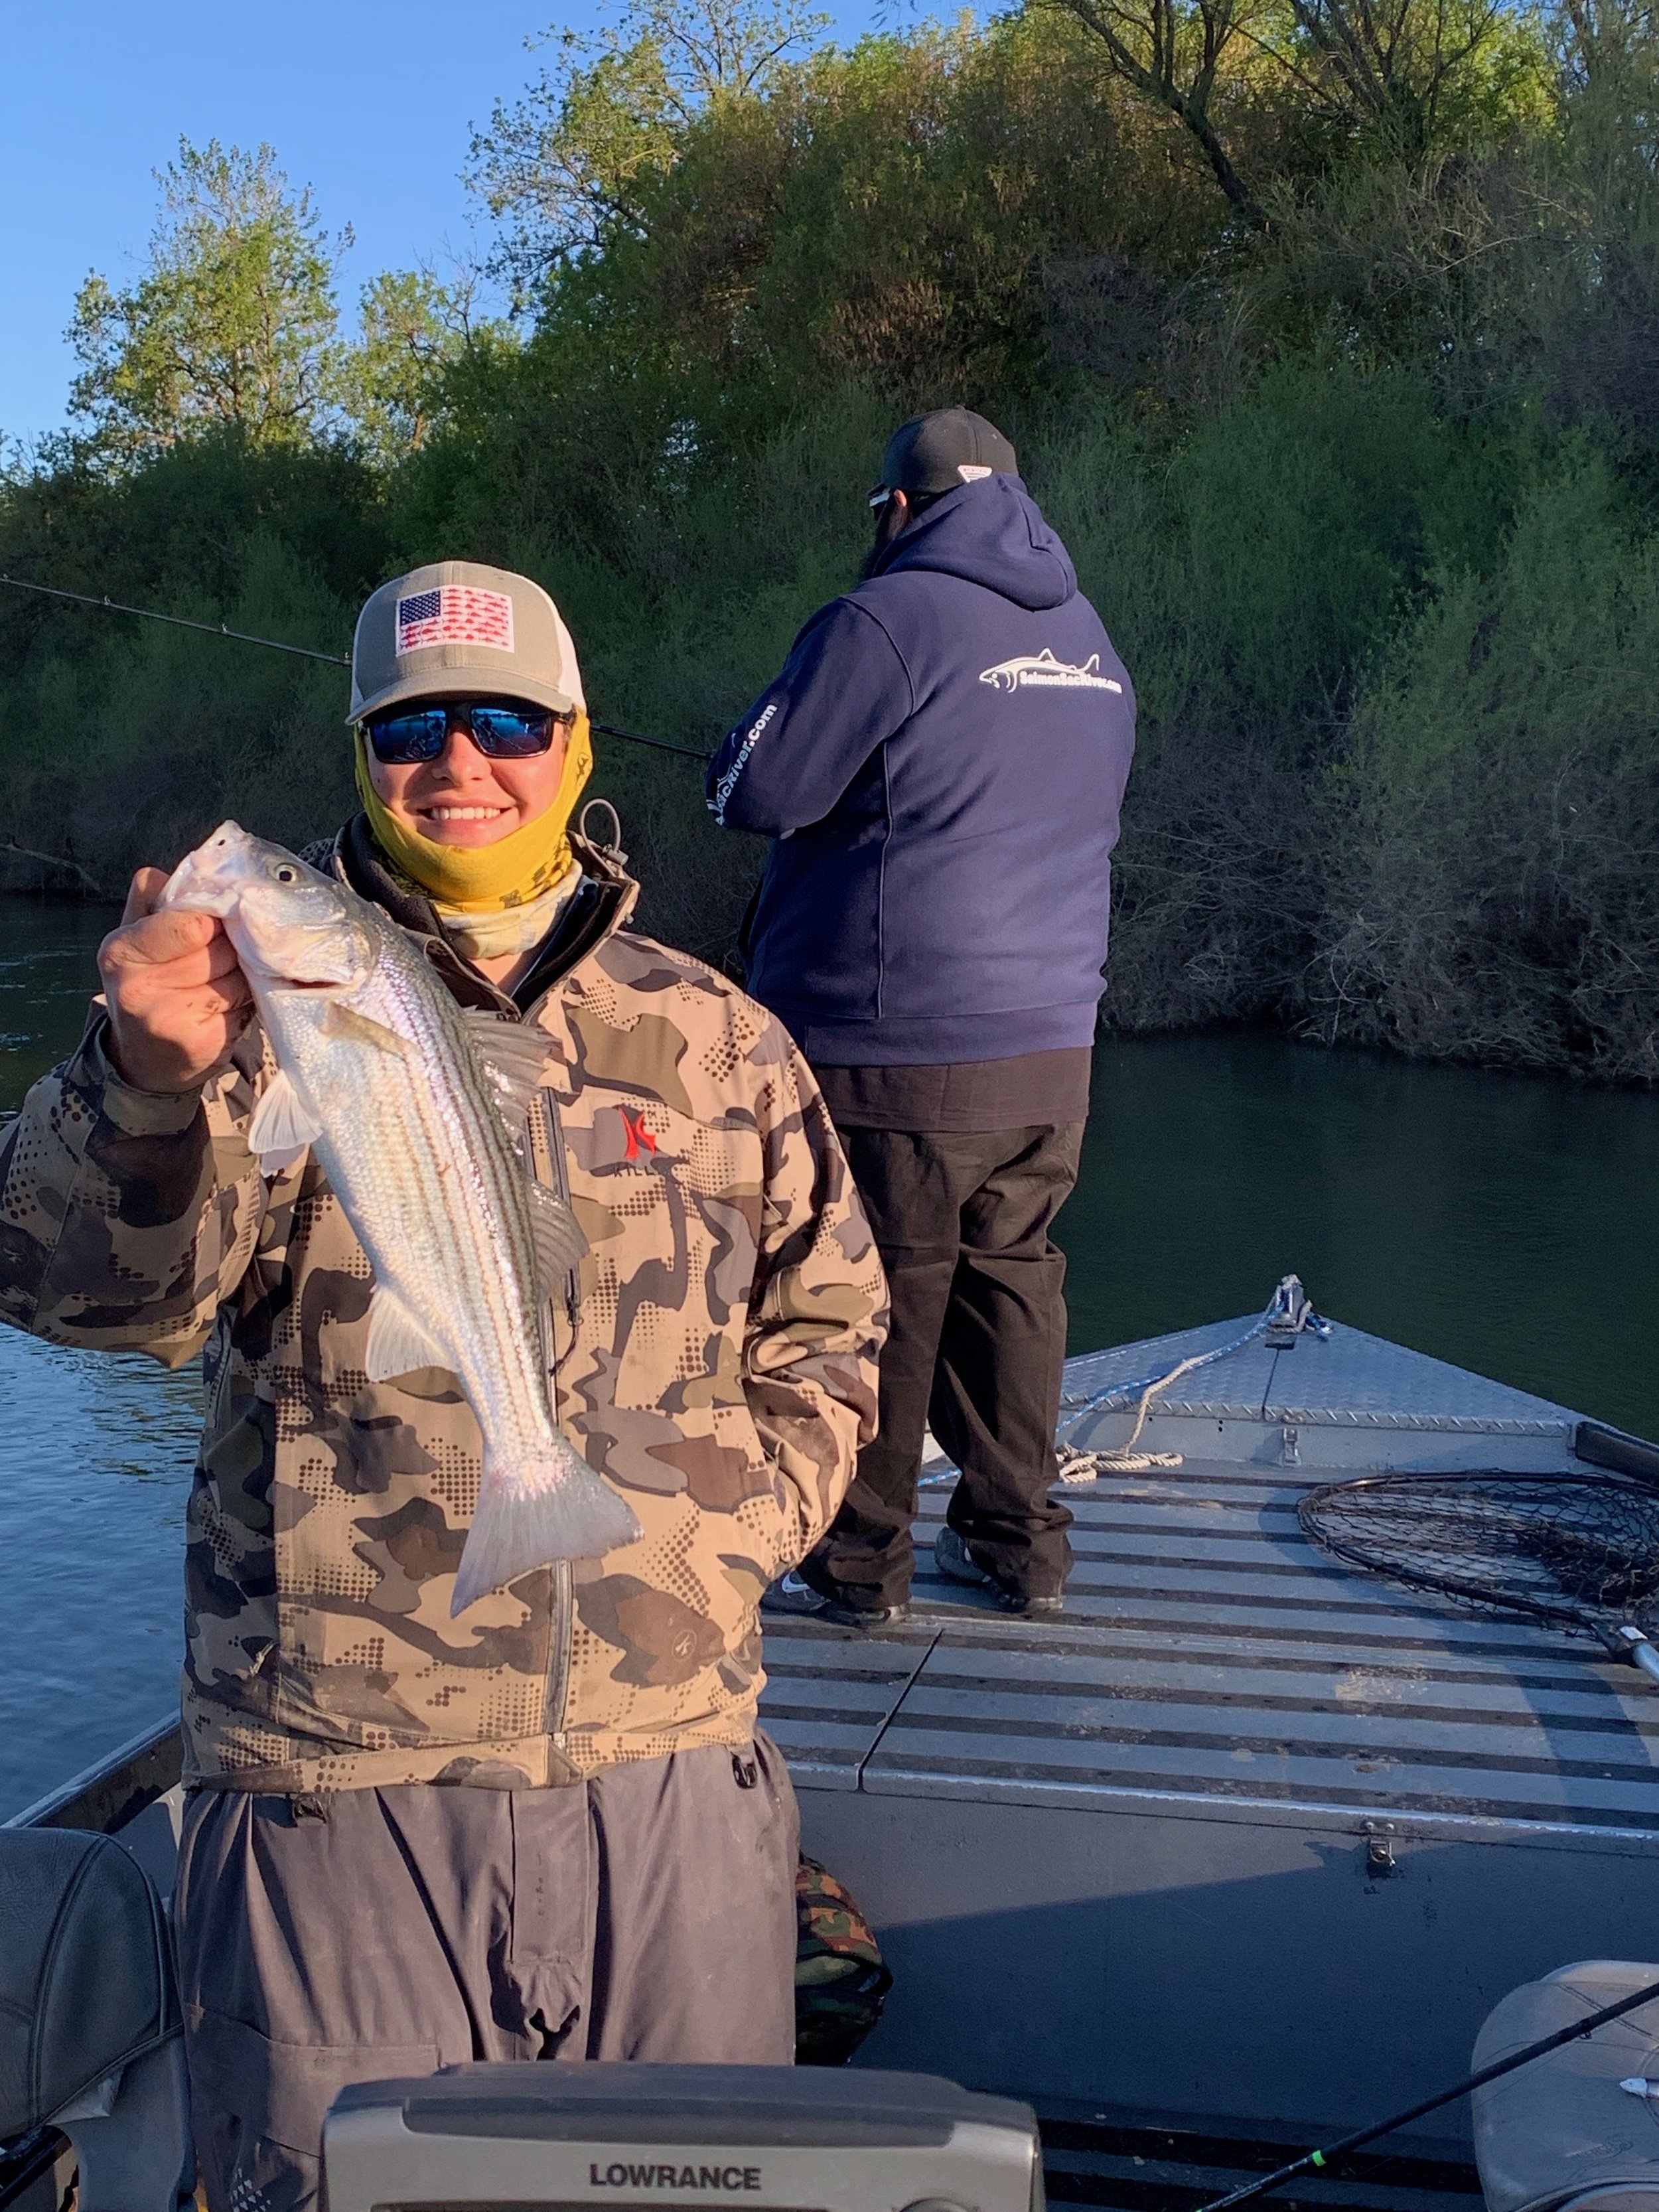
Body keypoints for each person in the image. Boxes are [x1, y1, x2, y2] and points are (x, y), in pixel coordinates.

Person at [0, 561, 887, 2212]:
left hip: (671, 1771)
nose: (458, 761)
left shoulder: (722, 1036)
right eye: (411, 726)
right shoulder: (235, 1017)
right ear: (359, 750)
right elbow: (97, 1297)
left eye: (504, 720)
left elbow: (832, 1334)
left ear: (571, 738)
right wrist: (141, 1085)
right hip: (341, 1777)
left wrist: (715, 1542)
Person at [707, 409, 1135, 1625]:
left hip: (896, 1046)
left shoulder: (882, 619)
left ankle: (856, 1564)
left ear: (897, 509)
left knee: (877, 1292)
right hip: (1054, 1050)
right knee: (1012, 1286)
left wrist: (738, 740)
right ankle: (1020, 1548)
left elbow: (755, 788)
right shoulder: (1091, 637)